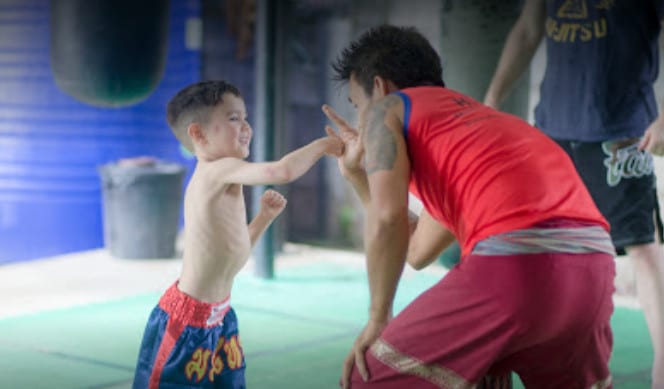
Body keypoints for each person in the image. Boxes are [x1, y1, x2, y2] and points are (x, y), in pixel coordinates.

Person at [323, 25, 616, 389]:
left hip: (518, 267)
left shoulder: (388, 109)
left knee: (366, 378)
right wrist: (358, 178)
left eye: (357, 106)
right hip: (594, 270)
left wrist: (378, 318)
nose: (360, 122)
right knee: (486, 373)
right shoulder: (475, 136)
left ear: (380, 88)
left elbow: (387, 218)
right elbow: (415, 250)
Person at [484, 1, 664, 386]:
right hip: (553, 130)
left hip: (622, 132)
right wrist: (494, 96)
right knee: (543, 251)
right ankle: (543, 360)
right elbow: (529, 28)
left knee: (642, 249)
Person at [132, 80, 343, 389]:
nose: (246, 126)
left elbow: (231, 255)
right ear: (198, 134)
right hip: (183, 324)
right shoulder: (217, 170)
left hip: (220, 319)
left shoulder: (229, 176)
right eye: (233, 119)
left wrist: (263, 219)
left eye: (245, 117)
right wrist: (324, 146)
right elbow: (280, 172)